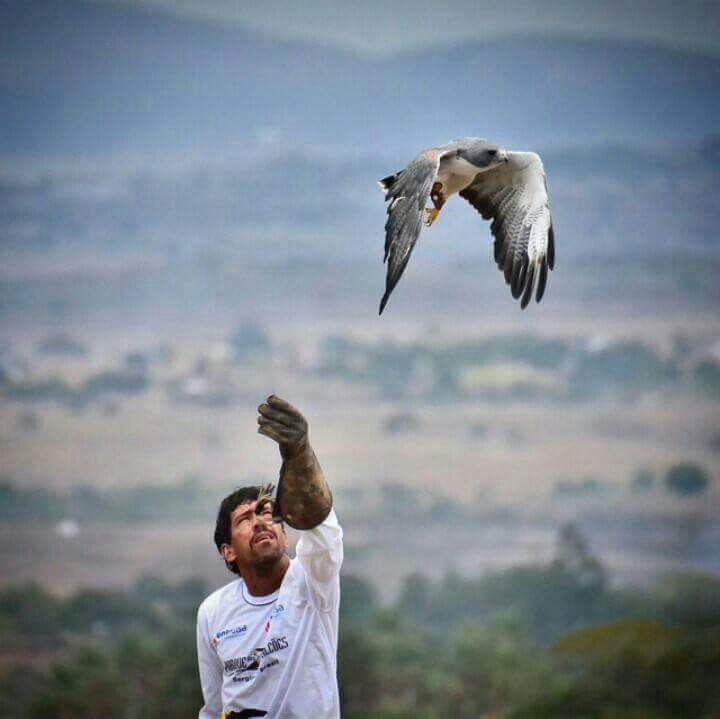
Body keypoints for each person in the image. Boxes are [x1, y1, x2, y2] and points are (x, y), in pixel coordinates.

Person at [196, 395, 342, 719]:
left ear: (286, 533)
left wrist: (300, 453)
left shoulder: (313, 584)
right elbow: (213, 708)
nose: (261, 521)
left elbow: (323, 531)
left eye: (267, 514)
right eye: (245, 519)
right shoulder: (212, 612)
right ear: (227, 550)